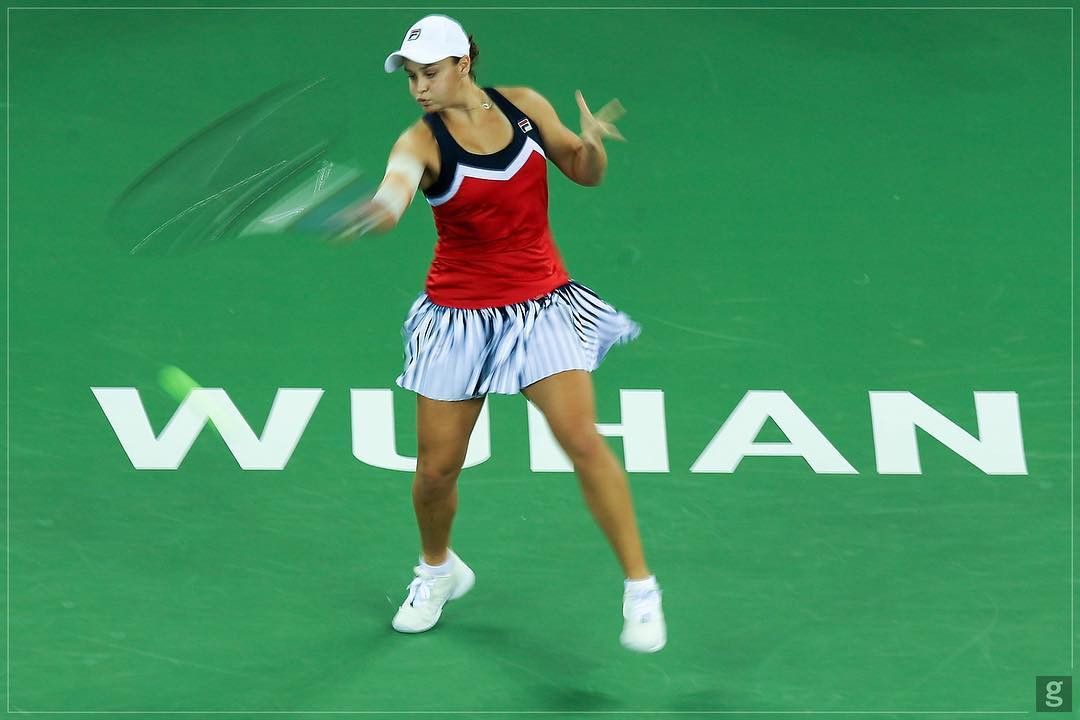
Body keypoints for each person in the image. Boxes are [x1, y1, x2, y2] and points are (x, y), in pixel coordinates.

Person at [354, 13, 665, 653]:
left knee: (582, 440)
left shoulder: (524, 106)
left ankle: (641, 590)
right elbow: (393, 198)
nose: (419, 88)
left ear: (463, 63)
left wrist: (592, 144)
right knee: (436, 471)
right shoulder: (419, 143)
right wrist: (373, 212)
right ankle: (437, 572)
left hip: (540, 307)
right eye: (410, 77)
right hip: (459, 318)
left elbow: (583, 170)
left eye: (429, 73)